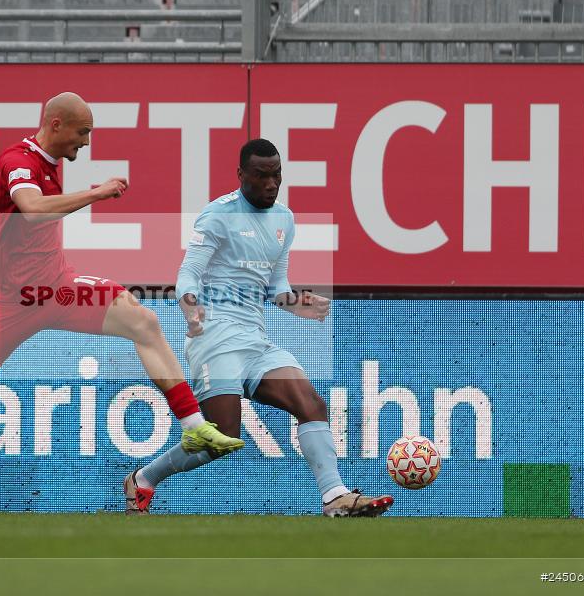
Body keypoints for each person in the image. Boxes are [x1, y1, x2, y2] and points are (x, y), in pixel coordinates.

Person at [0, 92, 244, 511]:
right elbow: (31, 209)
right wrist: (96, 194)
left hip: (57, 290)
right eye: (83, 132)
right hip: (10, 305)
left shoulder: (47, 164)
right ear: (56, 125)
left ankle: (192, 425)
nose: (86, 142)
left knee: (143, 321)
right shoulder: (18, 162)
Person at [122, 139, 394, 517]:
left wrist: (299, 304)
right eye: (261, 175)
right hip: (215, 338)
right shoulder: (218, 215)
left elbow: (276, 287)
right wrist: (190, 307)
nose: (271, 184)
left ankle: (335, 496)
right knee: (223, 436)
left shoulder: (284, 220)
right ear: (241, 175)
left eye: (276, 175)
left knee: (311, 404)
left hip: (256, 341)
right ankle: (144, 479)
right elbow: (188, 274)